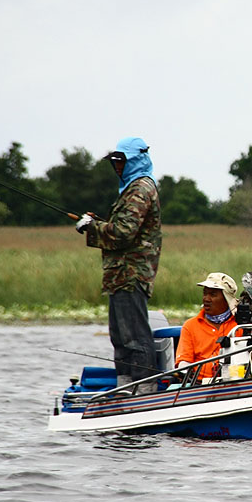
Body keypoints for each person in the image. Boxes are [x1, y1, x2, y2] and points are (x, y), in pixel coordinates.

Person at [75, 137, 162, 392]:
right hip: (120, 275)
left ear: (134, 160)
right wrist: (98, 223)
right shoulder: (132, 189)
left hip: (131, 274)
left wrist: (92, 227)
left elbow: (124, 232)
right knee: (120, 336)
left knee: (134, 335)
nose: (117, 167)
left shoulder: (140, 189)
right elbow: (122, 227)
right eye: (115, 162)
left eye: (121, 161)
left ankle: (144, 388)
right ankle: (125, 386)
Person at [175, 273, 241, 378]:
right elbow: (183, 360)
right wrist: (185, 372)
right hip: (199, 384)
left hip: (236, 381)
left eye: (213, 295)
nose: (206, 299)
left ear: (226, 299)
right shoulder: (190, 325)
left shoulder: (240, 325)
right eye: (205, 294)